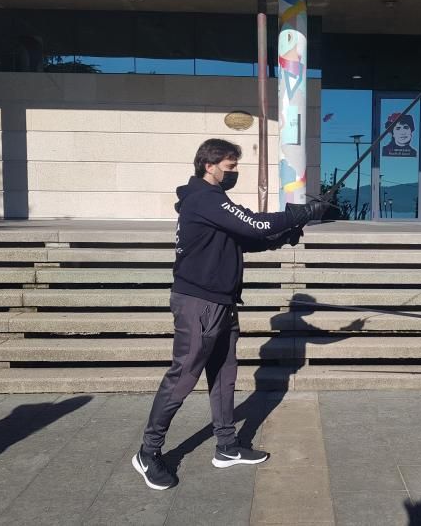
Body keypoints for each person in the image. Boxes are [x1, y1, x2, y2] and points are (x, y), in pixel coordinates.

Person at [132, 138, 330, 490]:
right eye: (229, 166)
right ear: (209, 165)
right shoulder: (202, 199)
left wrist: (283, 236)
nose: (233, 172)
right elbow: (253, 224)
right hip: (199, 303)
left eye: (235, 166)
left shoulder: (213, 201)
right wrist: (302, 212)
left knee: (224, 375)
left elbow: (244, 238)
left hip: (221, 301)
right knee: (183, 377)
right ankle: (148, 452)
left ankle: (226, 446)